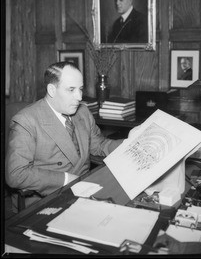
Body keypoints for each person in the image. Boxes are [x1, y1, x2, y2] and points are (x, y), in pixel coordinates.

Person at [5, 61, 139, 212]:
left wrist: (131, 142)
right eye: (71, 90)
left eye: (81, 89)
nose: (79, 97)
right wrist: (66, 179)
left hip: (85, 191)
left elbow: (99, 146)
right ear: (52, 90)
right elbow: (16, 174)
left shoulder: (82, 112)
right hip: (46, 200)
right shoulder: (27, 120)